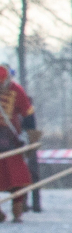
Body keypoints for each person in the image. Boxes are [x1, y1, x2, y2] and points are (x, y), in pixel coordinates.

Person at [0, 64, 33, 222]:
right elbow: (28, 113)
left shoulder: (16, 90)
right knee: (13, 177)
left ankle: (17, 209)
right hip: (7, 141)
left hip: (10, 141)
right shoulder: (14, 88)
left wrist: (31, 135)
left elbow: (28, 113)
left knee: (18, 177)